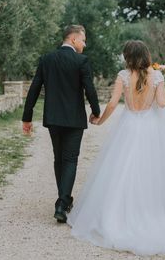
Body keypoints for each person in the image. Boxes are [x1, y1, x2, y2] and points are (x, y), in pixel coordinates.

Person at [66, 40, 165, 256]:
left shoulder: (123, 75)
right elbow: (161, 104)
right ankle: (147, 211)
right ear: (146, 55)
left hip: (128, 127)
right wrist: (161, 85)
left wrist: (100, 121)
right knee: (147, 170)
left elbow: (112, 104)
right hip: (148, 129)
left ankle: (116, 214)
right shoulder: (157, 76)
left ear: (128, 56)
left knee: (120, 168)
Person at [22, 25, 101, 223]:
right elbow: (89, 89)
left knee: (59, 159)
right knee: (71, 160)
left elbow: (34, 89)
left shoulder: (46, 59)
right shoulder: (81, 61)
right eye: (83, 40)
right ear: (73, 39)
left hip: (54, 119)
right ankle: (61, 203)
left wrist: (27, 117)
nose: (85, 44)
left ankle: (64, 201)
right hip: (74, 119)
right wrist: (96, 111)